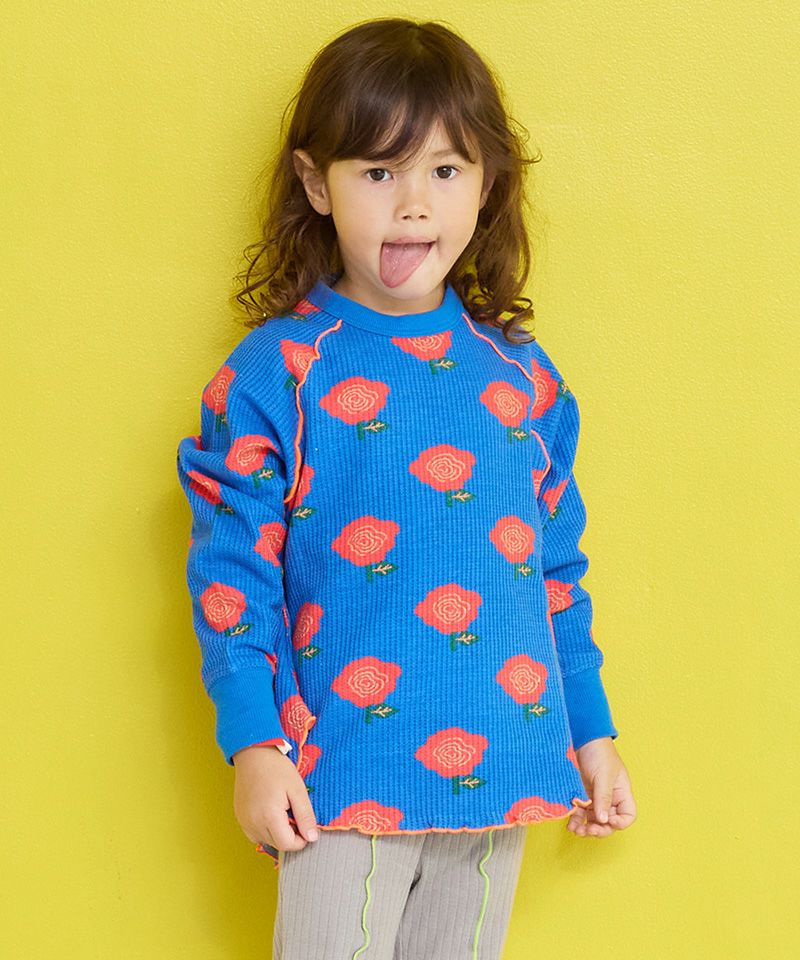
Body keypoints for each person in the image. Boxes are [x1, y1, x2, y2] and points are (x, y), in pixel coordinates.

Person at [176, 16, 636, 960]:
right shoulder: (276, 374)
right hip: (341, 775)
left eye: (446, 170)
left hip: (503, 770)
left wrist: (591, 735)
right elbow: (232, 575)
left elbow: (554, 573)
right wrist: (254, 745)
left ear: (487, 184)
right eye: (380, 173)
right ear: (318, 183)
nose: (415, 205)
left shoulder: (524, 380)